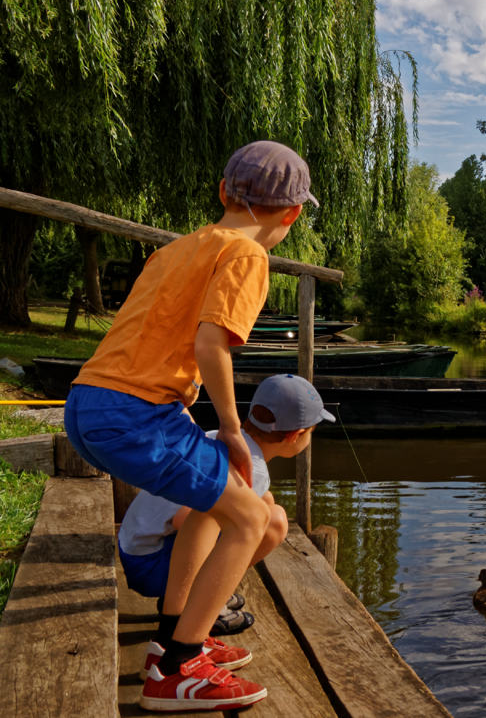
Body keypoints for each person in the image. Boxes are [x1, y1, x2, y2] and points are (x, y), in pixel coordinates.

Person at [64, 140, 317, 712]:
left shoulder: (177, 250)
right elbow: (210, 344)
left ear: (224, 192)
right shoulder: (248, 255)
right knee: (253, 516)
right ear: (292, 214)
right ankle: (178, 671)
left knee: (218, 503)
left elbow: (148, 344)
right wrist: (229, 427)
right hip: (134, 414)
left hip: (89, 401)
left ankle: (171, 643)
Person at [118, 374, 333, 689]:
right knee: (271, 523)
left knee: (270, 515)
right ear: (296, 436)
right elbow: (189, 520)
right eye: (311, 432)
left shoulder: (222, 437)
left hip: (138, 549)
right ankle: (182, 631)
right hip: (151, 564)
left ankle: (190, 620)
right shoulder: (252, 469)